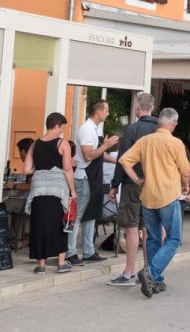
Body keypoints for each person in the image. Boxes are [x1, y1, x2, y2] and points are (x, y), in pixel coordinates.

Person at [117, 107, 190, 297]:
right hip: (168, 196)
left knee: (152, 238)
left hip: (148, 195)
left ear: (159, 122)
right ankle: (151, 272)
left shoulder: (145, 141)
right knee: (173, 239)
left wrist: (136, 179)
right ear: (173, 124)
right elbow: (185, 171)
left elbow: (124, 160)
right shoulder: (175, 143)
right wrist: (185, 186)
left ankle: (156, 281)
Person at [108, 93, 160, 286]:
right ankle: (148, 270)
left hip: (133, 184)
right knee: (148, 229)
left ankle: (128, 272)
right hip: (154, 185)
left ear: (138, 109)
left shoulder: (132, 129)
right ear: (152, 108)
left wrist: (114, 185)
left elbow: (123, 159)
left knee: (131, 228)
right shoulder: (160, 129)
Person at [24, 112, 76, 274]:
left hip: (38, 189)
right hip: (57, 190)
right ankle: (61, 263)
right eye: (62, 127)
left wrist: (39, 171)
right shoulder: (63, 144)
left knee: (39, 225)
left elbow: (27, 169)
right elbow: (67, 169)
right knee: (59, 224)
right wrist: (73, 191)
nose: (62, 131)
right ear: (56, 125)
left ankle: (41, 265)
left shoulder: (34, 145)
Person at [68, 100, 117, 265]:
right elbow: (89, 155)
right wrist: (107, 145)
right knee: (79, 215)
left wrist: (115, 160)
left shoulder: (95, 129)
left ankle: (88, 251)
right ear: (99, 112)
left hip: (94, 176)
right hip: (85, 177)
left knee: (91, 215)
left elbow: (99, 153)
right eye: (107, 110)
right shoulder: (87, 129)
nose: (108, 113)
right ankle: (71, 252)